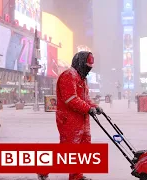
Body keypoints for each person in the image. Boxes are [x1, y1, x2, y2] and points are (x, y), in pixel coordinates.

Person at [37, 51, 103, 180]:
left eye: (90, 67)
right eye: (87, 66)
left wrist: (94, 106)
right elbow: (71, 99)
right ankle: (43, 169)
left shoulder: (82, 78)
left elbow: (84, 98)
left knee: (83, 148)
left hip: (82, 118)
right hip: (69, 120)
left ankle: (76, 175)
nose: (88, 70)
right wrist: (88, 108)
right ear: (80, 64)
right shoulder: (68, 76)